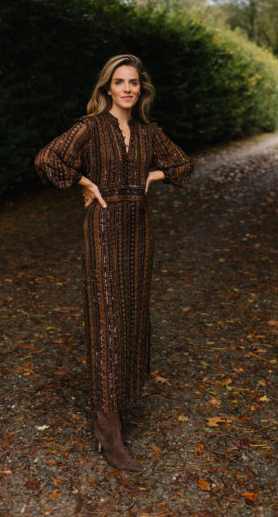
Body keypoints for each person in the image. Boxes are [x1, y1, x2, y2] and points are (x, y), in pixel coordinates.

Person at [34, 54, 193, 471]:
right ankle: (109, 430)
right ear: (107, 88)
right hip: (103, 227)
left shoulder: (147, 131)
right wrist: (84, 183)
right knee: (107, 320)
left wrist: (150, 177)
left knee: (131, 315)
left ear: (141, 89)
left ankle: (119, 402)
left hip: (139, 231)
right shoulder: (90, 127)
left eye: (134, 83)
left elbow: (182, 164)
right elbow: (47, 159)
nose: (127, 88)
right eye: (119, 82)